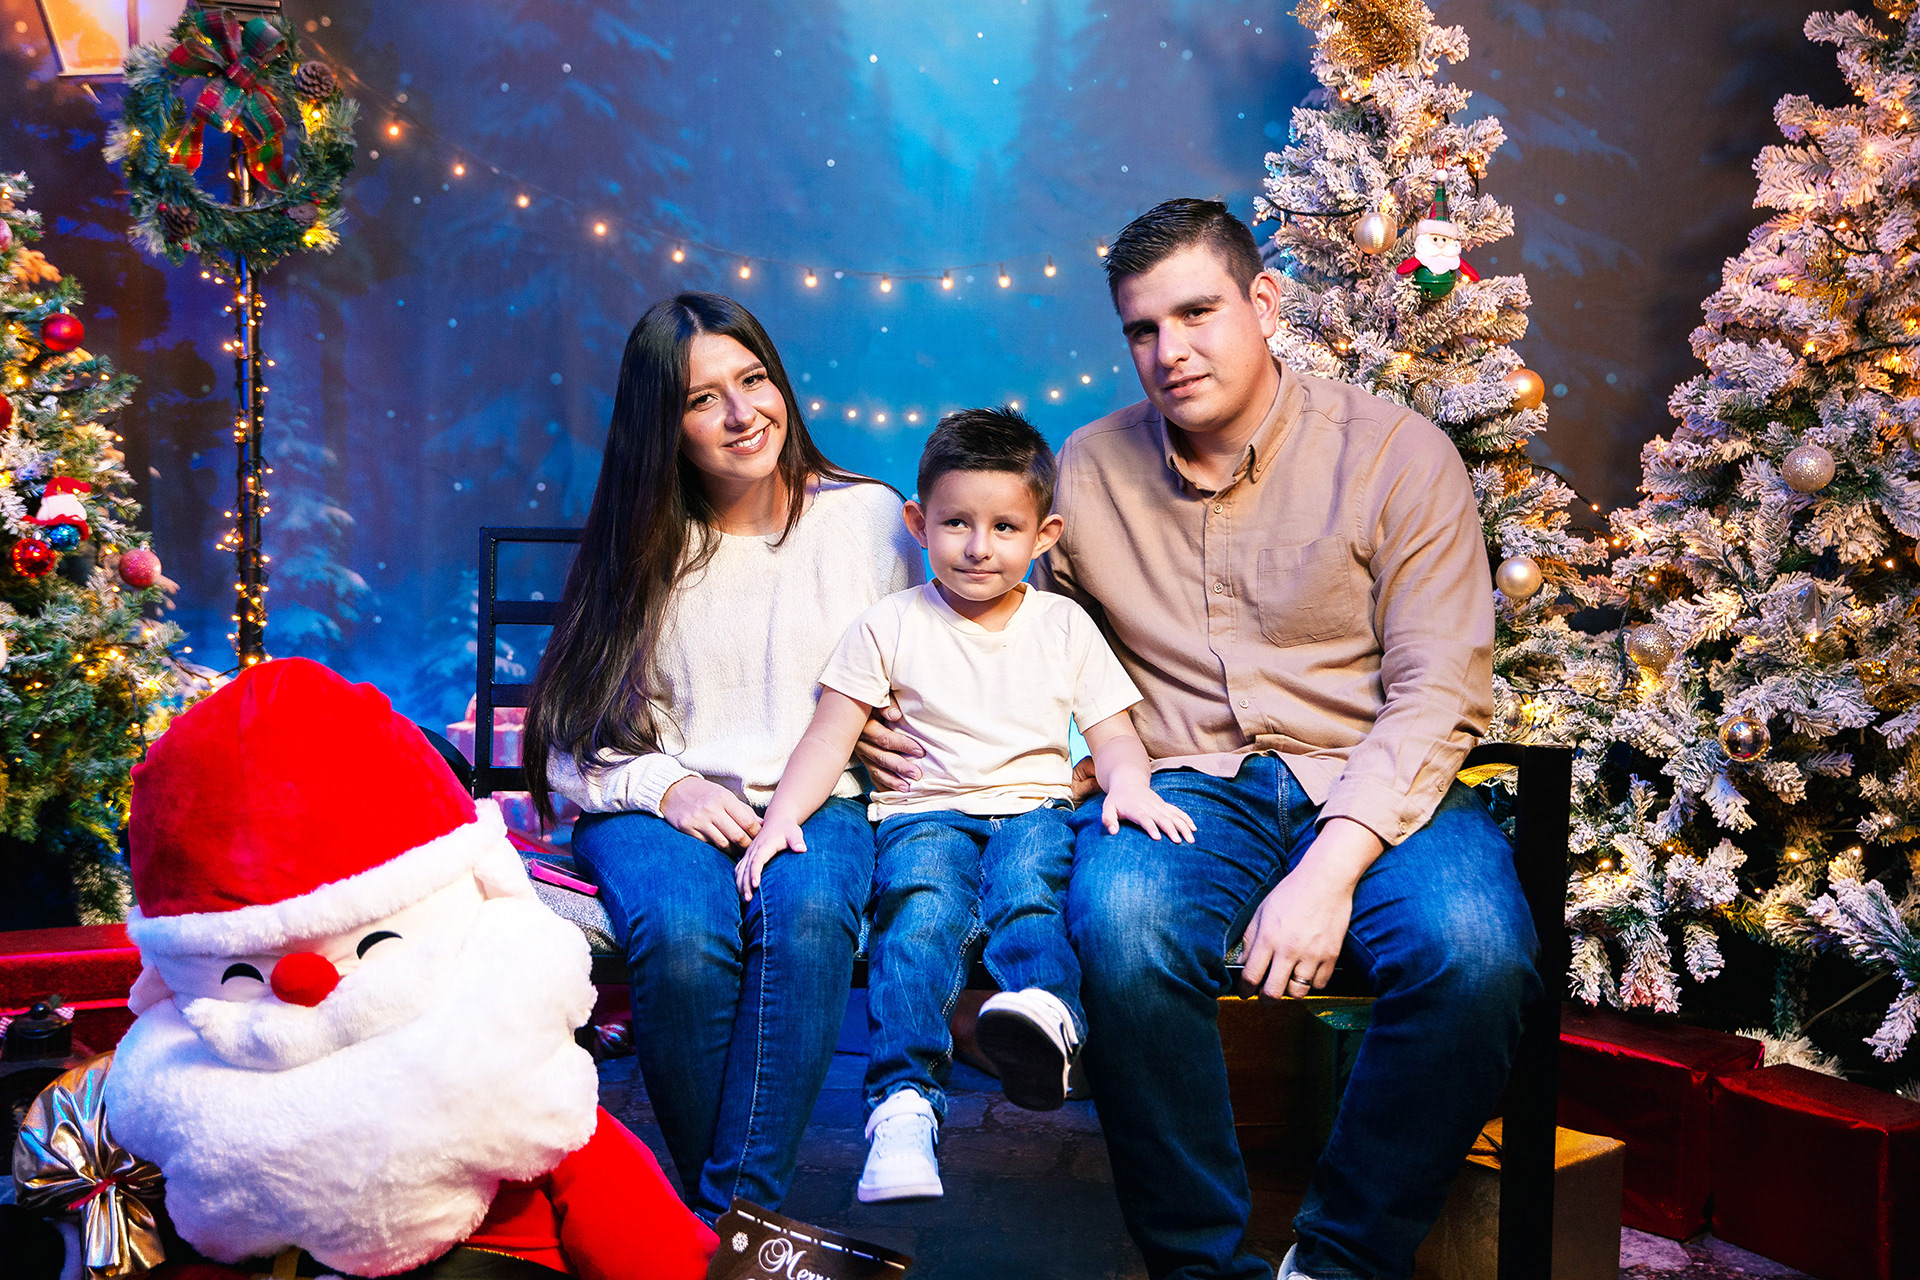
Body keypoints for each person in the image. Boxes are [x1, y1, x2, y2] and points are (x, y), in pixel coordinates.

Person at [861, 200, 1541, 1280]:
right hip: (1178, 782)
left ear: (1263, 303)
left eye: (1196, 313)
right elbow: (1004, 622)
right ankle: (1200, 1267)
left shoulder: (1395, 453)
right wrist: (885, 713)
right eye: (1142, 328)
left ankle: (1337, 1262)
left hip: (1372, 777)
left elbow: (1438, 687)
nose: (1169, 350)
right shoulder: (1087, 471)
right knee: (1123, 926)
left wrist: (1330, 870)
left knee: (1477, 951)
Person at [522, 292, 922, 1222]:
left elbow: (934, 660)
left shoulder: (869, 519)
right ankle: (749, 1233)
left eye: (754, 380)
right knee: (683, 933)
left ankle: (723, 1226)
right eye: (704, 399)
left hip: (821, 797)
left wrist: (879, 721)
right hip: (655, 806)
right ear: (662, 425)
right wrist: (669, 787)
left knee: (809, 914)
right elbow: (570, 747)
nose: (744, 414)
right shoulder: (641, 545)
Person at [737, 408, 1194, 1206]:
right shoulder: (889, 623)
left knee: (1030, 898)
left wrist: (1128, 783)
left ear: (1044, 535)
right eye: (956, 524)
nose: (979, 547)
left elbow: (1116, 735)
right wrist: (780, 820)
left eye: (1004, 527)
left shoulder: (1062, 624)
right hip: (923, 815)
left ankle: (1043, 1017)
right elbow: (828, 738)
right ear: (919, 523)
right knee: (919, 919)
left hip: (1033, 810)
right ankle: (903, 1105)